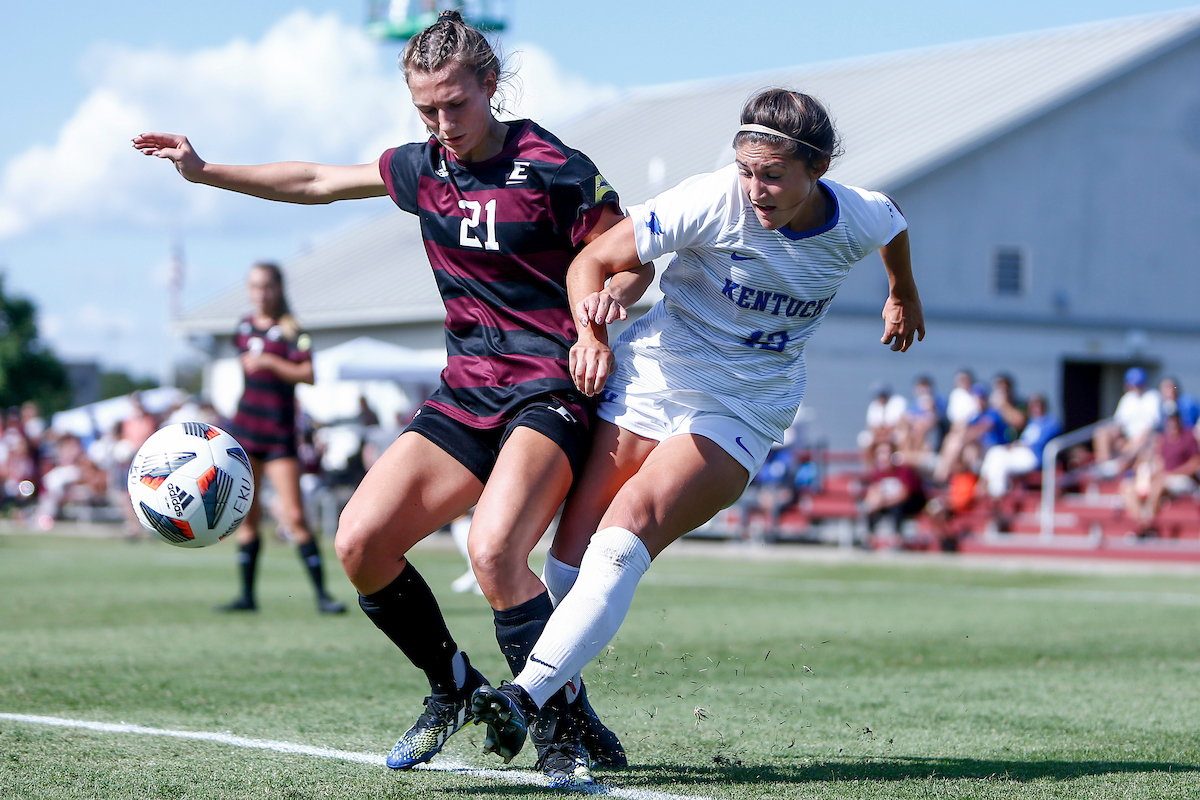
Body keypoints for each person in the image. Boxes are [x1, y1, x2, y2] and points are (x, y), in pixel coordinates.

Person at [134, 10, 639, 786]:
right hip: (465, 392)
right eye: (426, 110)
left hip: (549, 390)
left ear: (490, 87)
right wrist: (207, 172)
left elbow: (627, 257)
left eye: (455, 106)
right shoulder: (422, 167)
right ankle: (452, 688)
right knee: (359, 542)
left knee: (497, 552)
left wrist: (603, 315)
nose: (442, 124)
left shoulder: (555, 166)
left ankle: (560, 728)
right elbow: (312, 181)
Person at [468, 88, 924, 762]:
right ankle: (581, 722)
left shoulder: (858, 215)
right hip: (651, 378)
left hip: (742, 405)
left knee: (623, 542)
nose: (755, 190)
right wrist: (590, 334)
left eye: (772, 175)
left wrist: (902, 293)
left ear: (818, 167)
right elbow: (591, 261)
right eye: (746, 171)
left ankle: (524, 697)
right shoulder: (709, 199)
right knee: (565, 570)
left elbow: (893, 226)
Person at [211, 261, 347, 616]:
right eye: (255, 286)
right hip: (244, 432)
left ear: (279, 288)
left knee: (295, 516)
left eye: (267, 286)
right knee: (247, 517)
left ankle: (322, 596)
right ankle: (246, 596)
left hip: (279, 436)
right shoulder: (242, 326)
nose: (261, 293)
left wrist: (270, 363)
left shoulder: (293, 330)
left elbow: (309, 373)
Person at [1120, 412, 1200, 535]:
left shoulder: (1188, 437)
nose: (1172, 423)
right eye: (1169, 420)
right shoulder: (1163, 440)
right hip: (1164, 479)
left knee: (1159, 485)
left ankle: (1145, 526)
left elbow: (1195, 463)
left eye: (1174, 419)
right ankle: (1144, 523)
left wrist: (1173, 473)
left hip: (1183, 479)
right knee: (1128, 487)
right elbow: (1159, 463)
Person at [1093, 367, 1160, 474]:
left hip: (1147, 438)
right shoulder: (1127, 398)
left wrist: (1132, 441)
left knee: (1141, 438)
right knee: (1101, 431)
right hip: (1128, 436)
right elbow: (1118, 423)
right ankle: (1105, 466)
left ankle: (1119, 466)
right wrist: (1116, 437)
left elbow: (1152, 425)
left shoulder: (1153, 396)